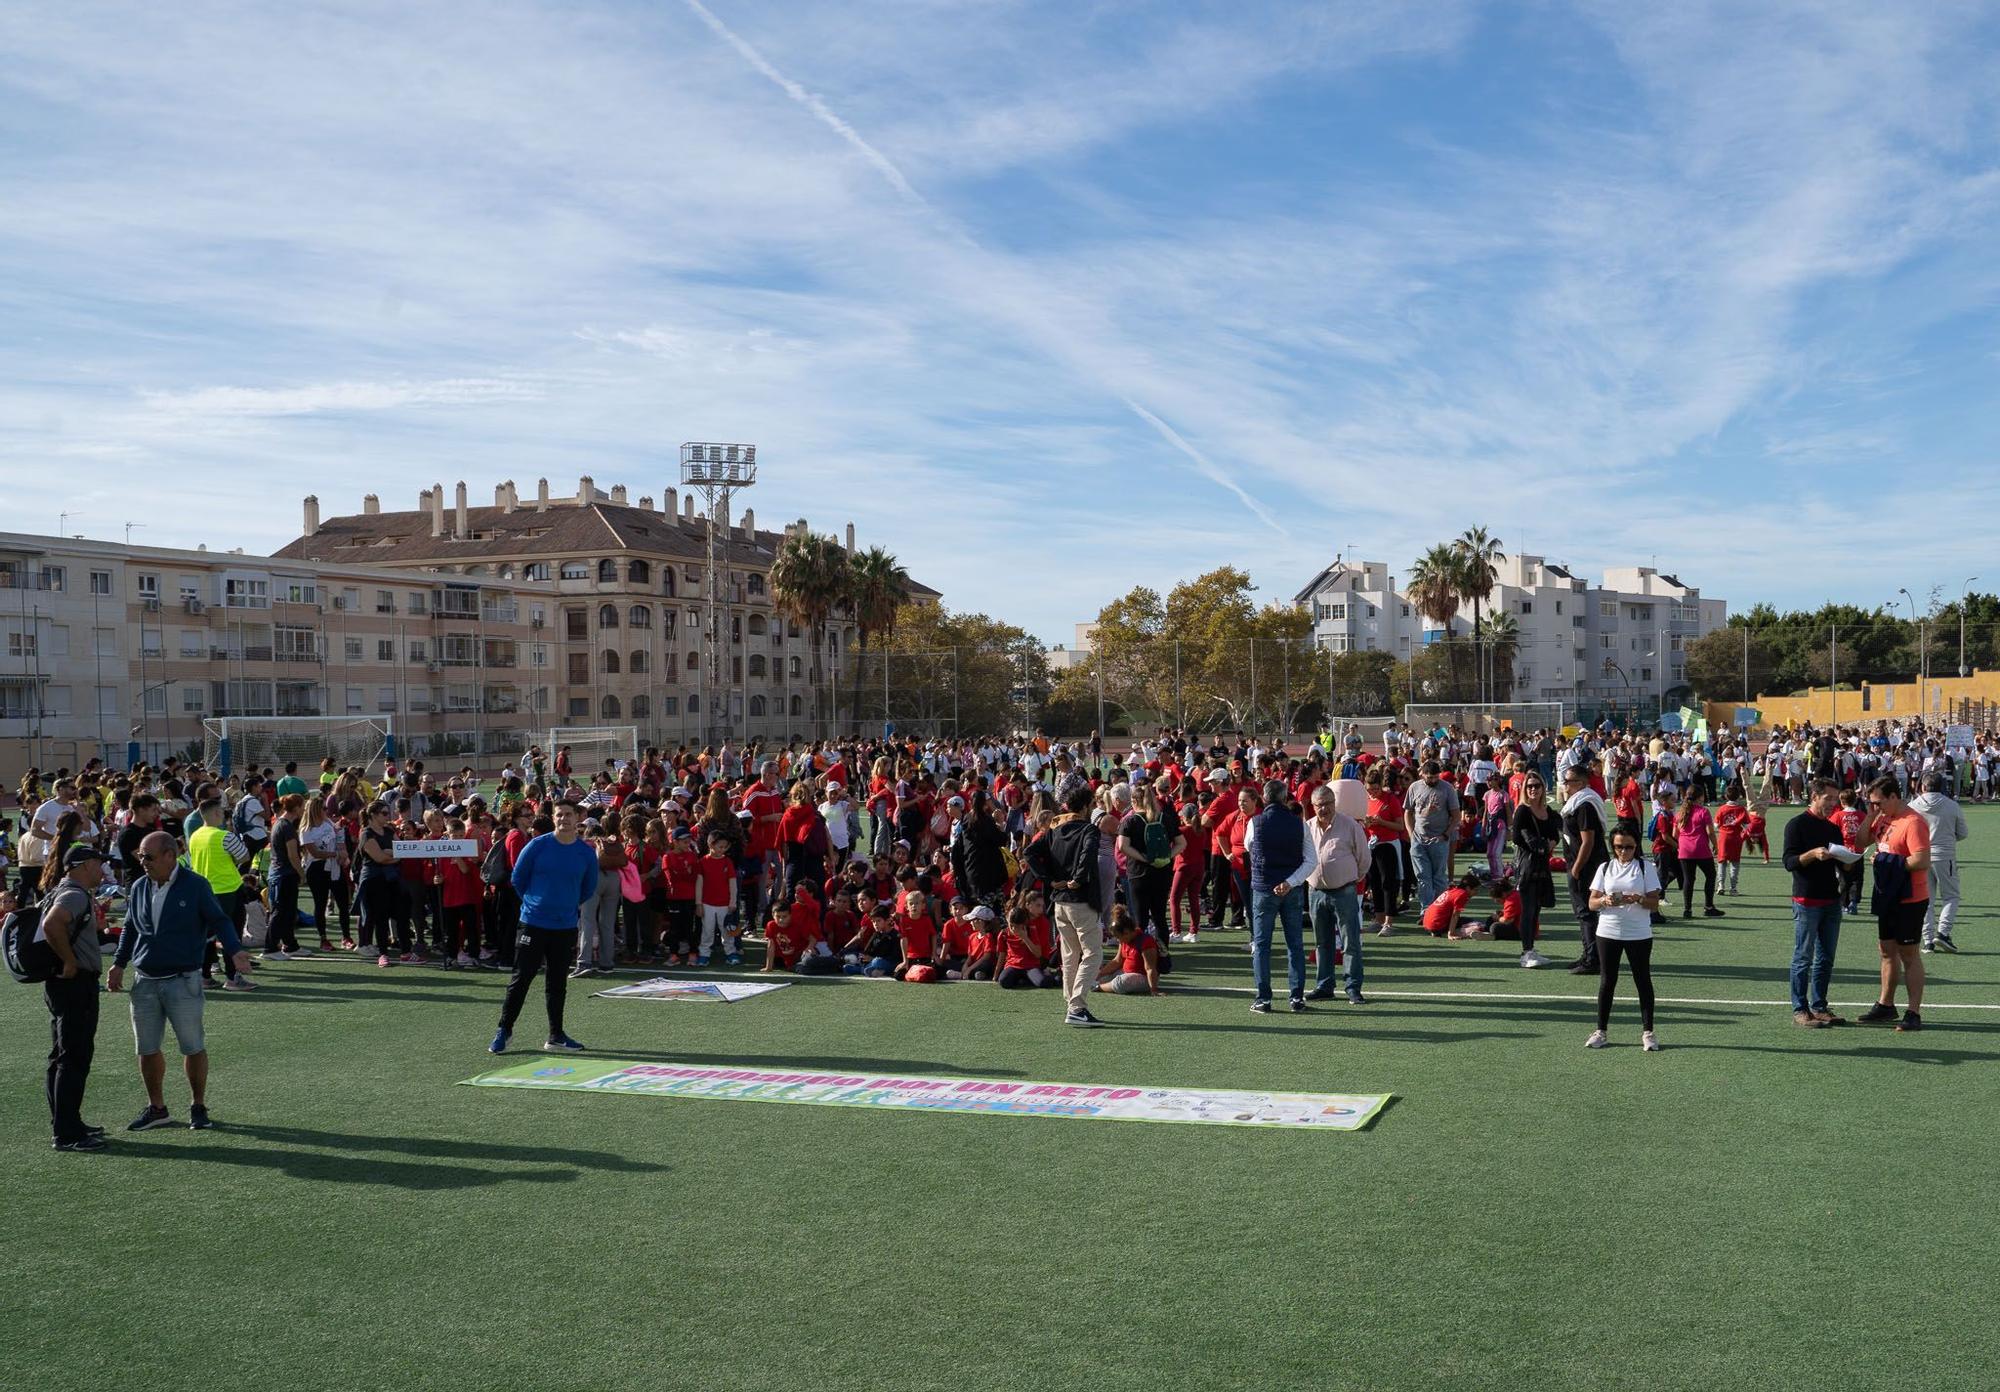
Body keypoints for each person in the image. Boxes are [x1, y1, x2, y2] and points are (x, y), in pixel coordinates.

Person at [109, 831, 251, 1131]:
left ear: (170, 856)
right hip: (144, 980)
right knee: (146, 1048)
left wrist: (236, 950)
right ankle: (157, 1108)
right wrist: (119, 964)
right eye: (140, 856)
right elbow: (131, 927)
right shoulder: (139, 886)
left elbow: (220, 920)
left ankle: (198, 1105)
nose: (143, 862)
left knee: (192, 1046)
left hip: (182, 979)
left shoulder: (195, 885)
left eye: (148, 856)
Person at [491, 801, 597, 1054]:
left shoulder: (585, 852)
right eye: (559, 815)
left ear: (577, 819)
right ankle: (504, 1030)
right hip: (533, 923)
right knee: (521, 979)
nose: (564, 819)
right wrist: (536, 903)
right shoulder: (537, 845)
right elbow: (518, 879)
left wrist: (566, 906)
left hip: (565, 926)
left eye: (568, 815)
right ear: (553, 818)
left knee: (557, 982)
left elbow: (588, 888)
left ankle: (556, 1035)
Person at [35, 846, 109, 1151]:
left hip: (61, 984)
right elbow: (53, 924)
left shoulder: (60, 890)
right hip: (74, 983)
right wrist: (69, 960)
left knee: (62, 1055)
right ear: (84, 866)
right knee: (74, 1057)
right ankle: (67, 1133)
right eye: (98, 864)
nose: (101, 870)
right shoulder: (74, 895)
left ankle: (66, 1121)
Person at [1023, 785, 1105, 1027]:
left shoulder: (1055, 828)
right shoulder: (1089, 829)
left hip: (1060, 902)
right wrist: (1077, 880)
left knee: (1070, 954)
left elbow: (1029, 852)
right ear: (1086, 806)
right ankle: (1076, 1006)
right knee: (1092, 953)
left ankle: (1072, 1003)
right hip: (1081, 900)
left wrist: (1049, 880)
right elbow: (1088, 854)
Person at [1860, 776, 1929, 1032]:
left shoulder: (1913, 822)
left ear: (1893, 797)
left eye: (1878, 802)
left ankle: (1913, 1012)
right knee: (1886, 950)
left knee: (1908, 954)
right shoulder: (1883, 818)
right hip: (1887, 894)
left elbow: (1922, 860)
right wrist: (1870, 816)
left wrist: (1886, 861)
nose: (1875, 807)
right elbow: (1860, 843)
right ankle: (1886, 1004)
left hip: (1910, 897)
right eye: (1871, 803)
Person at [1584, 827, 1663, 1050]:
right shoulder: (1605, 867)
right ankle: (1601, 1031)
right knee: (1607, 981)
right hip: (1608, 931)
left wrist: (1638, 899)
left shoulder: (1645, 867)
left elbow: (1654, 903)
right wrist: (1604, 902)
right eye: (1619, 847)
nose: (1623, 851)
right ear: (1613, 846)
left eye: (1628, 847)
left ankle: (1648, 1032)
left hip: (1639, 933)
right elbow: (1591, 902)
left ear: (1636, 846)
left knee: (1642, 980)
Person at [1244, 778, 1316, 1015]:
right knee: (1294, 943)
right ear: (1286, 798)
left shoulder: (1256, 822)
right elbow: (1311, 861)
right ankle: (1296, 997)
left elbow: (1248, 846)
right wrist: (1291, 882)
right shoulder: (1299, 824)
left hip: (1264, 888)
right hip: (1291, 889)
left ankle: (1263, 998)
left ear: (1264, 798)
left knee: (1262, 944)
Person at [1781, 780, 1848, 1029]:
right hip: (1806, 899)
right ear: (1815, 796)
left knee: (1826, 957)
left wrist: (1851, 858)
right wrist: (1811, 854)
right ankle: (1800, 1009)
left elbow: (1843, 866)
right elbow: (1788, 861)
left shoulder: (1832, 828)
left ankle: (1819, 1006)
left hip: (1831, 899)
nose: (1833, 804)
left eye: (1836, 799)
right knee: (1803, 957)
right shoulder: (1797, 825)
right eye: (1828, 798)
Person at [1302, 783, 1368, 1004]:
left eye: (1328, 804)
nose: (1324, 809)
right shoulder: (1307, 827)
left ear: (1334, 804)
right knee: (1322, 942)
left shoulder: (1350, 826)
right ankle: (1324, 985)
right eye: (1319, 805)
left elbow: (1364, 859)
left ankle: (1353, 987)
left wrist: (1351, 879)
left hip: (1344, 891)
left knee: (1350, 941)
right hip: (1316, 892)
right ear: (1313, 806)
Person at [1909, 773, 1969, 953]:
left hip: (1920, 856)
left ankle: (1928, 940)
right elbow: (1963, 833)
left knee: (1926, 899)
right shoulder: (1952, 805)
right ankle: (1943, 932)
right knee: (1951, 896)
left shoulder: (1913, 806)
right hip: (1944, 855)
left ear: (1923, 787)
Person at [1560, 763, 1609, 976]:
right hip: (1581, 864)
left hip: (1586, 866)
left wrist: (1577, 868)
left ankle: (1593, 959)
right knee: (1583, 914)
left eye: (1569, 781)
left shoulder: (1584, 805)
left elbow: (1587, 841)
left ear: (1581, 783)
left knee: (1586, 912)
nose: (1565, 785)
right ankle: (1588, 953)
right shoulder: (1577, 802)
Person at [1508, 772, 1559, 969]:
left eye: (1537, 785)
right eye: (1529, 786)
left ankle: (1530, 949)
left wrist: (1546, 845)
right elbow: (1519, 839)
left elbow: (1555, 835)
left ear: (1543, 788)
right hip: (1527, 866)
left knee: (1536, 910)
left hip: (1542, 866)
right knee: (1527, 910)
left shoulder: (1547, 811)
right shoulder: (1522, 810)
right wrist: (1542, 845)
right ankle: (1526, 952)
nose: (1533, 789)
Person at [1403, 760, 1459, 913]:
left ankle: (1439, 910)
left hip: (1439, 839)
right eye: (1430, 778)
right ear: (1422, 775)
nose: (1433, 780)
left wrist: (1446, 835)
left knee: (1439, 877)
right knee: (1422, 876)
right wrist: (1410, 832)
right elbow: (1407, 811)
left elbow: (1456, 816)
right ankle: (1426, 910)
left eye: (1435, 777)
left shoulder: (1447, 789)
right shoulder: (1414, 787)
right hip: (1419, 839)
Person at [1096, 904, 1162, 995]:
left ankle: (1098, 987)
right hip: (1125, 972)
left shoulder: (1146, 941)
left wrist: (1153, 990)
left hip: (1143, 977)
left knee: (1121, 982)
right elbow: (1117, 961)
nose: (1118, 940)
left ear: (1126, 932)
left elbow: (1150, 968)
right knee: (1101, 977)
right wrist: (1099, 974)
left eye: (1119, 937)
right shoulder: (1125, 940)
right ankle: (1103, 984)